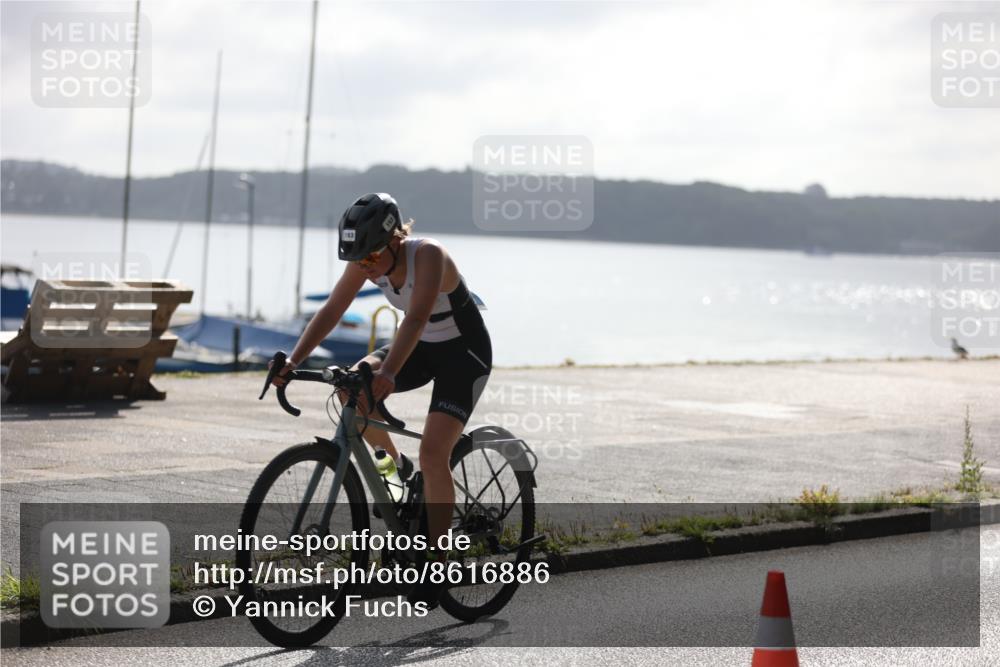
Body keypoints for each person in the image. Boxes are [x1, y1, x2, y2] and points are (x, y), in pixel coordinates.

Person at [270, 192, 492, 608]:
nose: (366, 270)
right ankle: (399, 473)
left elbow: (417, 317)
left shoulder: (429, 255)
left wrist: (388, 372)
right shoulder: (367, 260)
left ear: (392, 241)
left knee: (434, 451)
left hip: (464, 354)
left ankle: (436, 565)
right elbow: (334, 308)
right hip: (421, 347)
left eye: (370, 259)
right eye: (359, 262)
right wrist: (293, 360)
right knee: (350, 386)